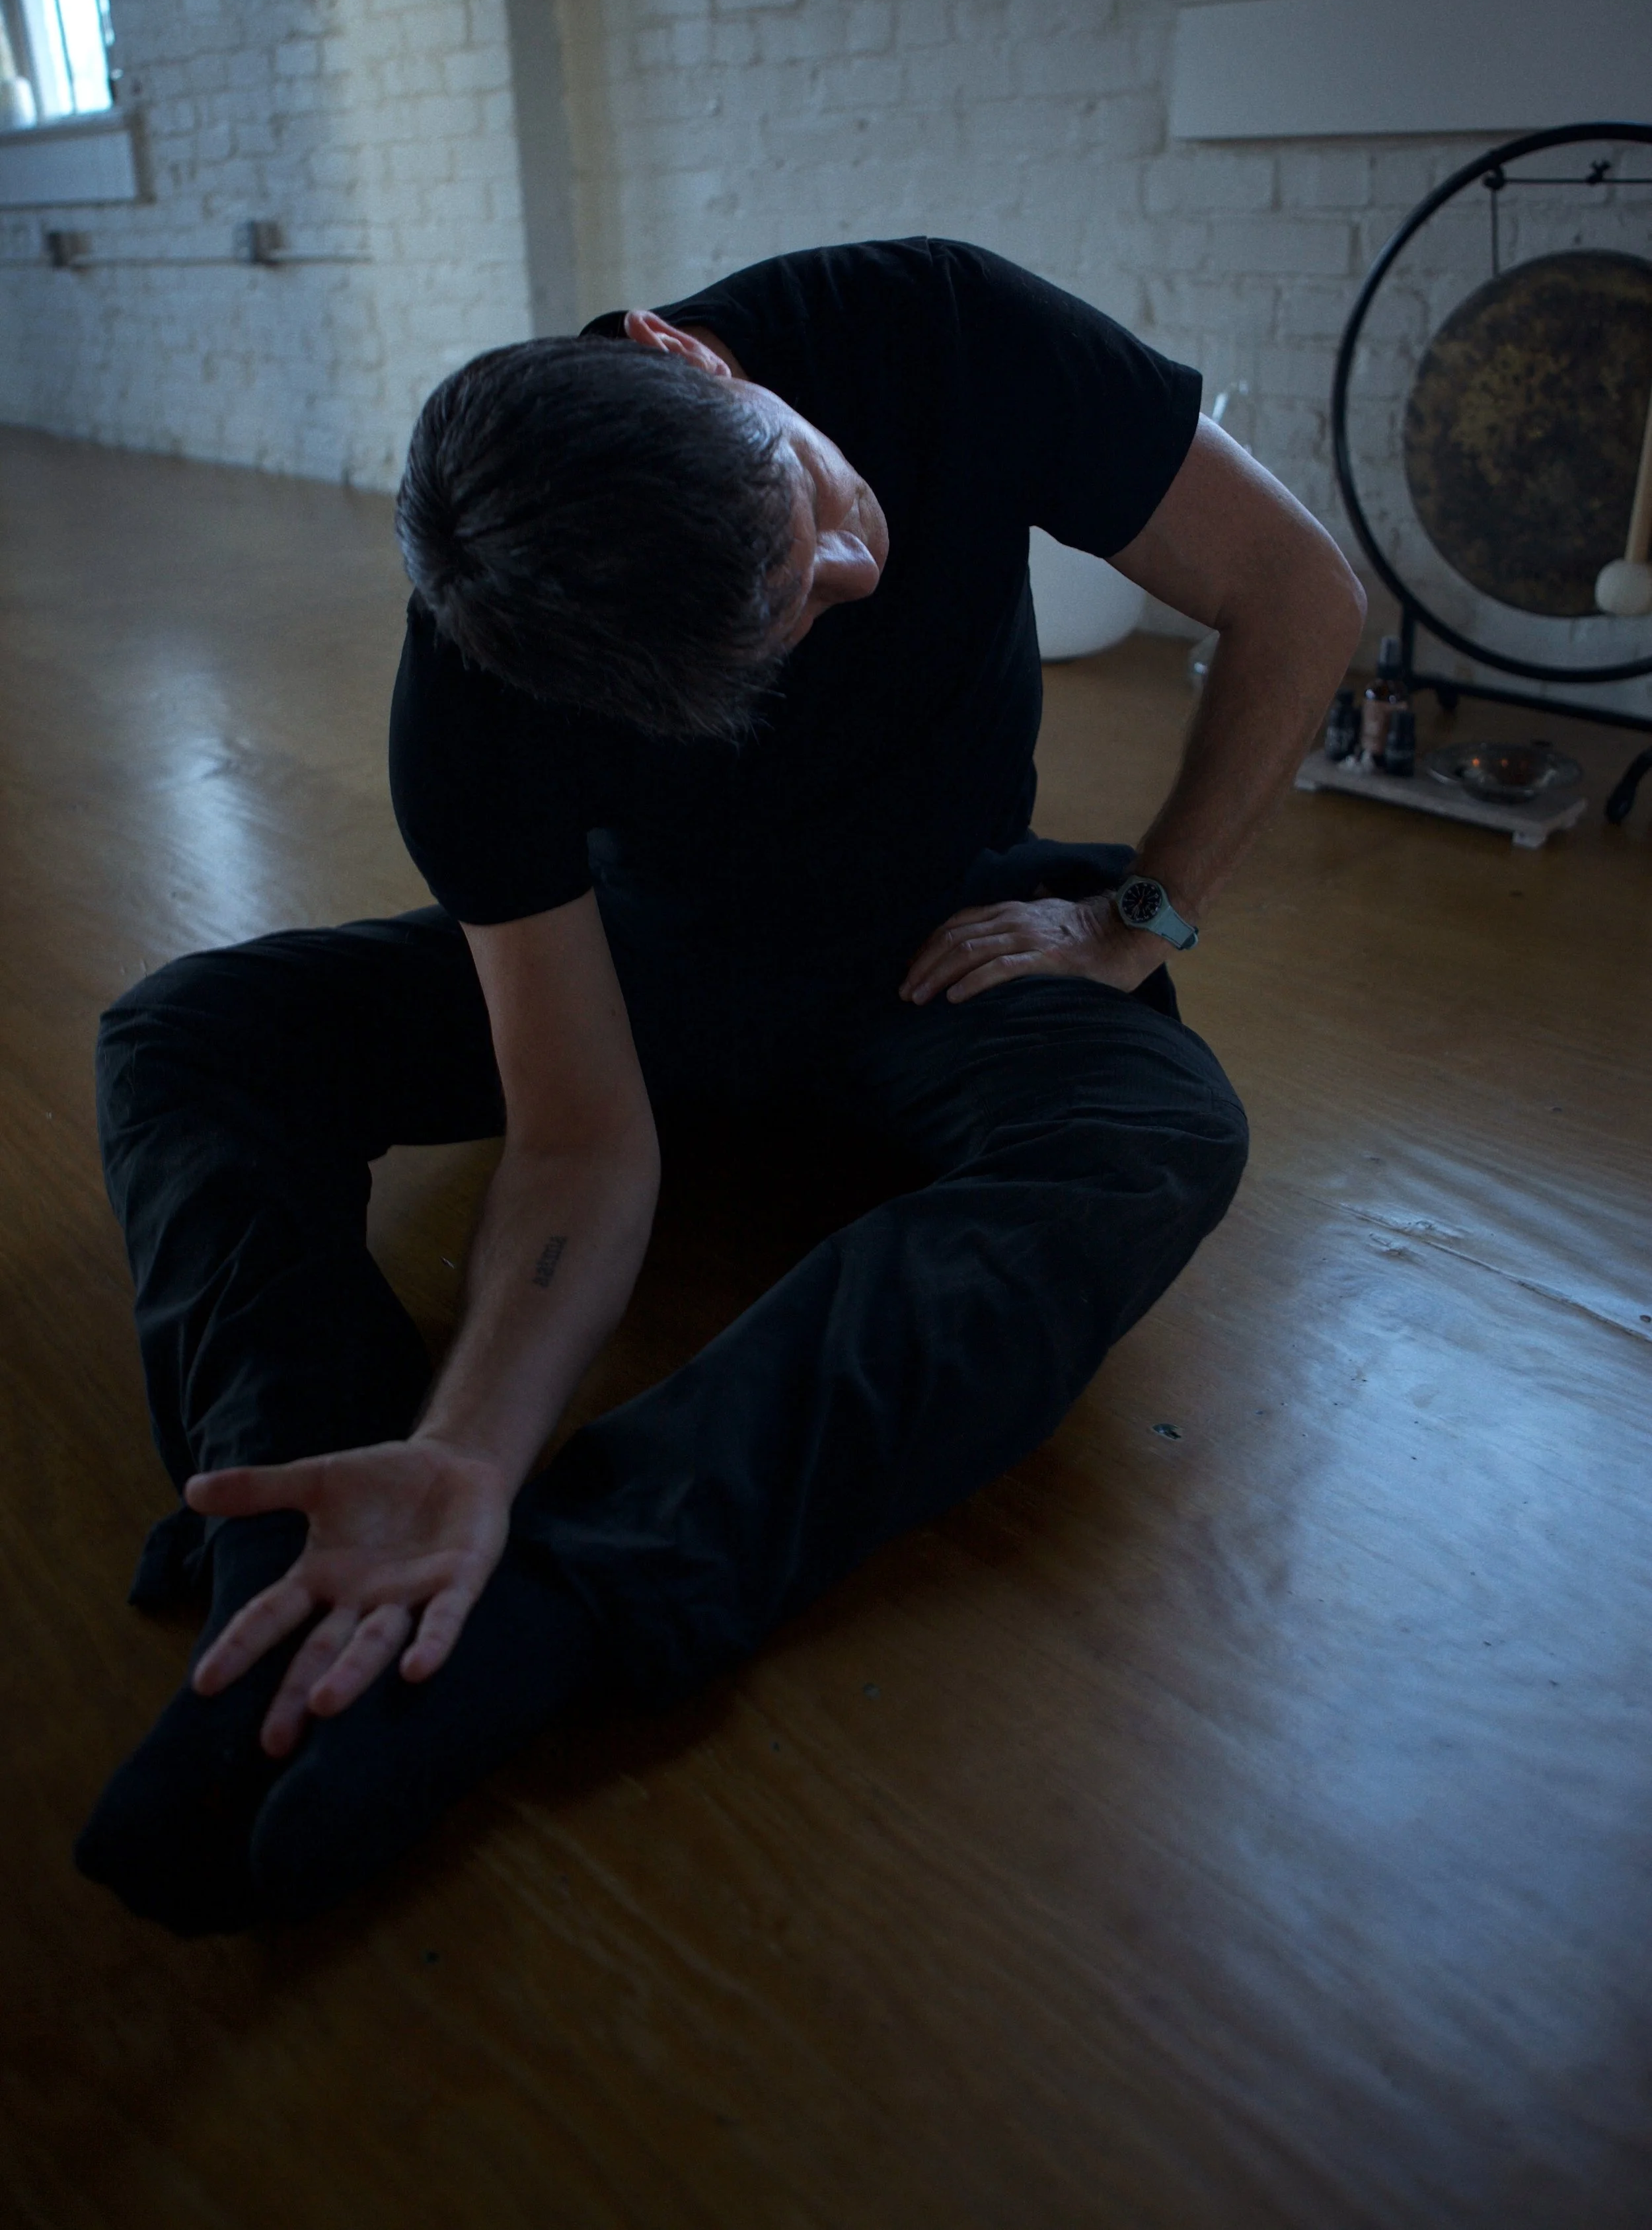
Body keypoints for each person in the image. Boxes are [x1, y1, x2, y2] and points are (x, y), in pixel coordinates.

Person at [76, 239, 1364, 1933]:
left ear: (698, 360)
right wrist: (468, 1443)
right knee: (190, 1035)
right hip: (643, 972)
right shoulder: (477, 693)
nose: (853, 559)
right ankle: (316, 1533)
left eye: (805, 512)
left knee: (1151, 1139)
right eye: (788, 616)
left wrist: (1142, 911)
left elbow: (1298, 589)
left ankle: (557, 1603)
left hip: (940, 942)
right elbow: (582, 1134)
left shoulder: (940, 331)